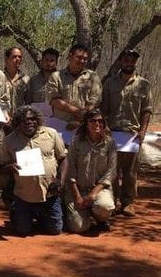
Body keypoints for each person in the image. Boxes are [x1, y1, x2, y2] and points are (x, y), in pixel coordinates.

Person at [0, 105, 66, 236]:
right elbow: (1, 167)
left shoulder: (51, 134)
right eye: (24, 120)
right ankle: (17, 211)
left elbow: (63, 158)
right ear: (18, 123)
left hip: (49, 194)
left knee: (55, 230)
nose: (29, 122)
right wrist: (10, 167)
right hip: (24, 196)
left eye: (32, 119)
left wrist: (60, 180)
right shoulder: (8, 141)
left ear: (38, 120)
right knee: (22, 231)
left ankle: (42, 216)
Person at [101, 49, 152, 217]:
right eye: (126, 60)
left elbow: (146, 110)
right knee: (113, 170)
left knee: (130, 171)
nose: (129, 63)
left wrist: (143, 131)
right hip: (113, 133)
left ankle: (128, 203)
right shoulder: (109, 83)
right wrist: (105, 127)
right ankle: (113, 200)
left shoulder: (143, 84)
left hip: (132, 135)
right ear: (121, 62)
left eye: (132, 60)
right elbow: (104, 109)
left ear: (135, 63)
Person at [65, 109, 116, 233]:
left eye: (100, 121)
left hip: (99, 189)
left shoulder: (110, 143)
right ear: (86, 124)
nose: (97, 124)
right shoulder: (75, 141)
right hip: (78, 189)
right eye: (92, 121)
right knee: (79, 227)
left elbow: (111, 172)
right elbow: (70, 169)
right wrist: (77, 196)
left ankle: (100, 218)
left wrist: (93, 194)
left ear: (104, 124)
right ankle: (80, 213)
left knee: (104, 207)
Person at [46, 44, 102, 127]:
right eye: (79, 57)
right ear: (70, 56)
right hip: (60, 125)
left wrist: (79, 120)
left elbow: (95, 101)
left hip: (84, 126)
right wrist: (77, 112)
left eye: (85, 59)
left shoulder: (93, 77)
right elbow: (54, 100)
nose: (82, 61)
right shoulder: (56, 76)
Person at [4, 47, 29, 117]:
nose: (18, 59)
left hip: (20, 121)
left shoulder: (26, 79)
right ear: (6, 59)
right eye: (14, 57)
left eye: (20, 57)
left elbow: (28, 102)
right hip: (2, 120)